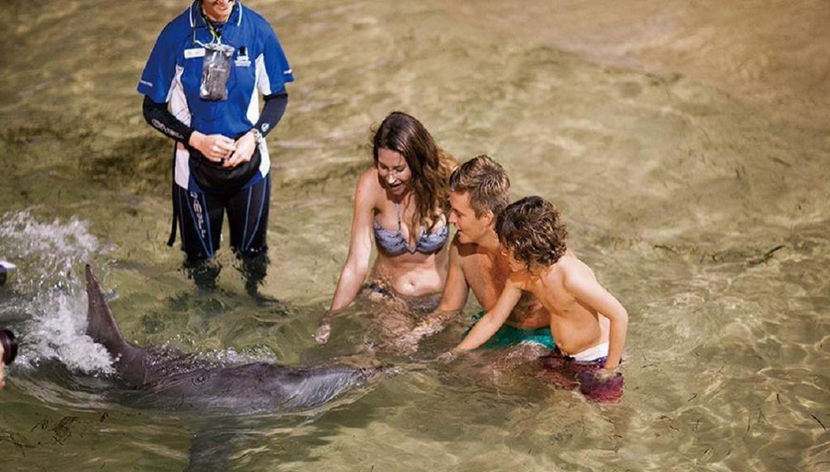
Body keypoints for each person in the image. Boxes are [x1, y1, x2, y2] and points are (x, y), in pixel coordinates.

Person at [138, 0, 293, 294]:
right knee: (200, 268)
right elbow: (152, 109)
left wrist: (254, 136)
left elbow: (277, 97)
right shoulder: (175, 35)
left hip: (250, 170)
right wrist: (195, 139)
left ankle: (252, 311)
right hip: (194, 174)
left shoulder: (257, 30)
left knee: (253, 262)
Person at [448, 196, 628, 402]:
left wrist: (610, 369)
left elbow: (619, 316)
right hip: (563, 356)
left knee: (603, 415)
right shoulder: (522, 278)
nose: (503, 253)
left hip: (596, 358)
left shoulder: (570, 277)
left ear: (526, 247)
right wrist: (458, 352)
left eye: (507, 248)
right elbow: (493, 319)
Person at [315, 111, 457, 345]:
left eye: (399, 169)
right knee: (399, 349)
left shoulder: (446, 178)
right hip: (387, 296)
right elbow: (356, 263)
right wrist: (331, 318)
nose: (390, 178)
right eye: (383, 167)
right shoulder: (370, 184)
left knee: (449, 357)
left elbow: (476, 231)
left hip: (439, 298)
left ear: (417, 160)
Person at [397, 155, 555, 356]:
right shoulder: (461, 249)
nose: (450, 219)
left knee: (490, 369)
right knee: (446, 362)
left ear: (486, 217)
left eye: (459, 213)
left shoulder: (530, 245)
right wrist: (413, 336)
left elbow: (576, 287)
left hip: (545, 335)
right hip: (497, 329)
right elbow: (448, 309)